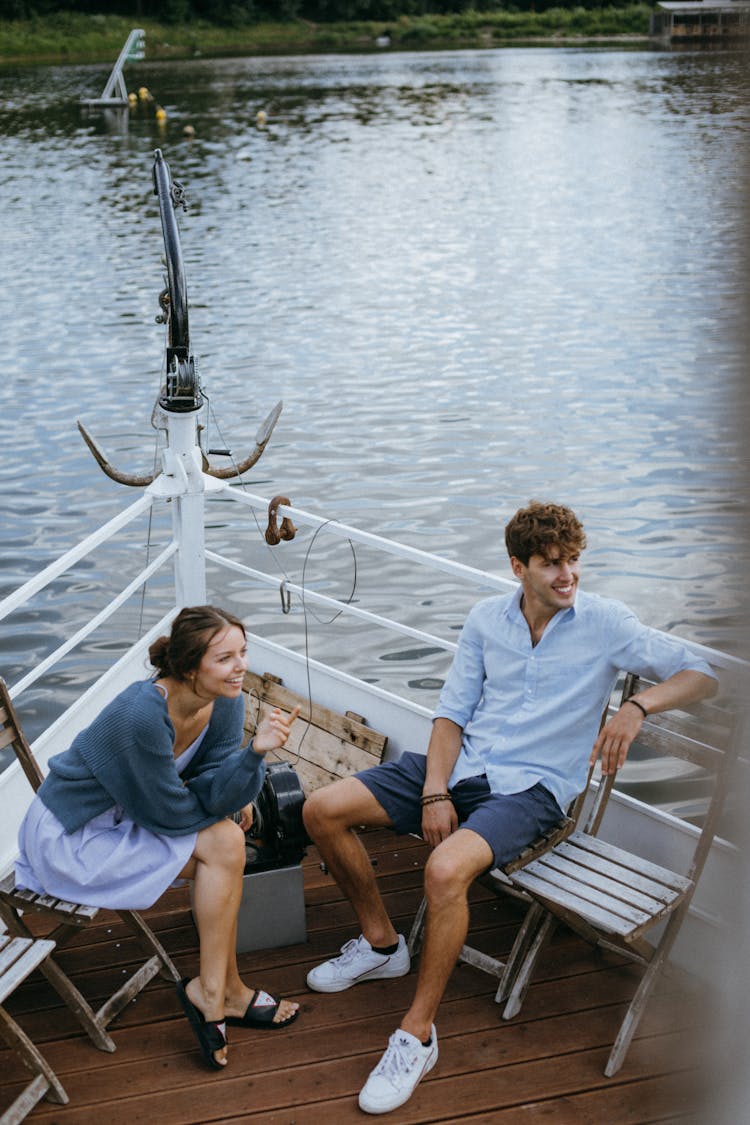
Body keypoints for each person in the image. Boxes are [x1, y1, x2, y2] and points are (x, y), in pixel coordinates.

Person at [302, 500, 718, 1115]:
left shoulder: (605, 622)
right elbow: (450, 715)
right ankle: (383, 945)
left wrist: (635, 708)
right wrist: (436, 790)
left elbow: (703, 672)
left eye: (574, 560)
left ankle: (417, 1035)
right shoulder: (485, 620)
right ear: (517, 566)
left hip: (533, 791)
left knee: (445, 868)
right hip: (464, 764)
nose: (567, 575)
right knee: (321, 809)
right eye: (551, 564)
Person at [15, 604, 301, 1071]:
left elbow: (216, 784)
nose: (241, 666)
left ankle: (218, 991)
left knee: (226, 842)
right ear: (190, 668)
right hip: (73, 834)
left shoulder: (228, 699)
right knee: (225, 846)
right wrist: (240, 772)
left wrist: (250, 758)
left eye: (243, 653)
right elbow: (173, 812)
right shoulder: (140, 715)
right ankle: (221, 990)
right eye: (225, 658)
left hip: (132, 814)